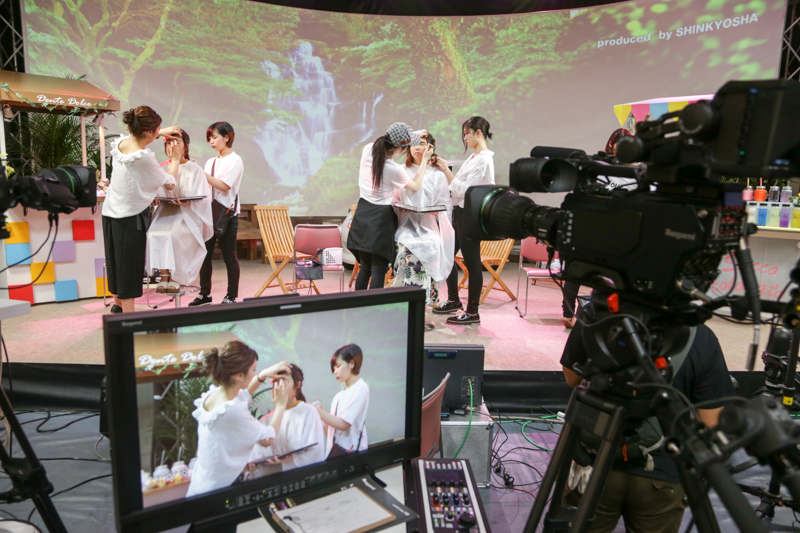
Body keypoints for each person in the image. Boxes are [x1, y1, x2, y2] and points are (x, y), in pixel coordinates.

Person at [560, 321, 735, 533]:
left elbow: (572, 377)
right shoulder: (700, 336)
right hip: (661, 472)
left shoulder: (597, 317)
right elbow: (711, 421)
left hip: (594, 463)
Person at [102, 106, 183, 313]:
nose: (158, 134)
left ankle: (118, 305)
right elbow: (170, 183)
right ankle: (129, 318)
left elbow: (138, 138)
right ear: (148, 132)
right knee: (129, 266)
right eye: (156, 131)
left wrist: (160, 131)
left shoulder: (121, 144)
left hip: (109, 214)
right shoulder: (143, 157)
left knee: (115, 261)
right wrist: (175, 160)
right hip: (129, 218)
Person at [186, 341, 291, 497]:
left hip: (200, 484)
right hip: (214, 493)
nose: (254, 374)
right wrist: (281, 405)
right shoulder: (232, 411)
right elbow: (267, 439)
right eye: (253, 370)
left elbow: (243, 394)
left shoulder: (215, 395)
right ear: (239, 376)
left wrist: (262, 375)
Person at [561, 127, 634, 327]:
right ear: (611, 144)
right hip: (591, 228)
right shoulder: (599, 168)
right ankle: (567, 313)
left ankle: (591, 312)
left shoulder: (635, 173)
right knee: (576, 272)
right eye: (621, 145)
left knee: (603, 276)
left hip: (619, 232)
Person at [347, 123, 432, 290]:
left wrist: (414, 134)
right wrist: (425, 161)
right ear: (400, 149)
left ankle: (357, 303)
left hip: (362, 215)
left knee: (365, 267)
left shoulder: (368, 149)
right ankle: (375, 305)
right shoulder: (393, 169)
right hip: (380, 219)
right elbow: (415, 186)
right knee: (378, 270)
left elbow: (392, 141)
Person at [432, 116, 495, 325]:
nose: (465, 138)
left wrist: (446, 170)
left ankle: (473, 311)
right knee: (448, 257)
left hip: (470, 215)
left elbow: (466, 191)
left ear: (479, 133)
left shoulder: (484, 159)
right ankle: (453, 300)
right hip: (459, 214)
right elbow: (457, 186)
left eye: (467, 133)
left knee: (473, 264)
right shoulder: (473, 157)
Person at [391, 132, 455, 309]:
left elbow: (445, 203)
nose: (417, 148)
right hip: (406, 224)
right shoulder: (401, 170)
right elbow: (392, 199)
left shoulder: (437, 174)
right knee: (406, 247)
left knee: (433, 245)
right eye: (414, 144)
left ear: (430, 148)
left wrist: (435, 211)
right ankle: (403, 298)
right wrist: (399, 206)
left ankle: (426, 300)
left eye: (422, 144)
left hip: (428, 225)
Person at [146, 131, 213, 293]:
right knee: (153, 234)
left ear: (186, 146)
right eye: (169, 142)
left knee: (174, 235)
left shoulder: (195, 169)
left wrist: (187, 201)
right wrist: (155, 199)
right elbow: (155, 190)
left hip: (187, 214)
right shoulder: (161, 167)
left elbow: (203, 197)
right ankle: (164, 276)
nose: (173, 146)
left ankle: (175, 277)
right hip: (165, 212)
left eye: (177, 142)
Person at [189, 122, 244, 306]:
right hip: (209, 212)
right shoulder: (210, 161)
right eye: (209, 138)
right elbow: (205, 186)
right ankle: (205, 294)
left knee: (230, 256)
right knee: (205, 255)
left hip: (227, 214)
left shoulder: (235, 160)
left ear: (226, 137)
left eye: (214, 137)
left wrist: (201, 173)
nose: (211, 141)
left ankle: (231, 296)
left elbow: (224, 185)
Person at [249, 365, 326, 473]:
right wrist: (253, 464)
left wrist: (285, 461)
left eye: (284, 381)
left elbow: (313, 452)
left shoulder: (309, 411)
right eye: (276, 382)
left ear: (297, 385)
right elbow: (258, 454)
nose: (279, 386)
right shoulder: (266, 419)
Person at [313, 344, 370, 456]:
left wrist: (318, 412)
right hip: (335, 455)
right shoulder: (338, 396)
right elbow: (331, 433)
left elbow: (344, 424)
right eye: (333, 368)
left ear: (352, 363)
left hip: (351, 455)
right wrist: (321, 416)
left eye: (338, 366)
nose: (335, 372)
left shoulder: (361, 388)